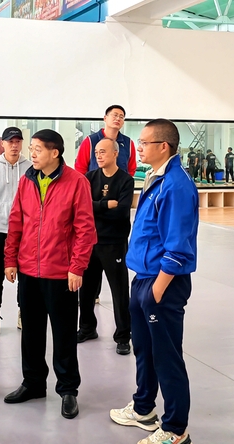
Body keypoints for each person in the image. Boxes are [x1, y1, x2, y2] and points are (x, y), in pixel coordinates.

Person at [109, 119, 198, 444]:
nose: (139, 147)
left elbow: (178, 246)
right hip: (144, 277)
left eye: (145, 142)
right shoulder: (155, 177)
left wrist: (157, 291)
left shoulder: (176, 185)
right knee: (144, 350)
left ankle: (176, 431)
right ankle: (144, 407)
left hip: (163, 283)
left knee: (167, 357)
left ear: (164, 146)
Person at [4, 129, 96, 420]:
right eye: (31, 148)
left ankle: (68, 389)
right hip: (29, 270)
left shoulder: (77, 182)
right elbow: (16, 221)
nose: (31, 153)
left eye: (38, 149)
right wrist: (10, 259)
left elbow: (85, 229)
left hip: (61, 273)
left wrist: (77, 267)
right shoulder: (27, 180)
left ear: (55, 153)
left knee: (64, 334)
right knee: (30, 332)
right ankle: (33, 383)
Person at [77, 138, 134, 355]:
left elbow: (121, 212)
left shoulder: (125, 180)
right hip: (91, 242)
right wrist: (105, 205)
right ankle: (87, 328)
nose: (98, 156)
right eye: (96, 152)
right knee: (86, 290)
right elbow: (82, 207)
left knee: (119, 292)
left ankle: (123, 336)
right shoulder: (90, 177)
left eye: (103, 152)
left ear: (115, 154)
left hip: (114, 244)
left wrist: (95, 209)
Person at [0, 127, 32, 336]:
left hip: (26, 232)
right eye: (10, 141)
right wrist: (0, 214)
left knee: (25, 275)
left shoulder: (30, 167)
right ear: (3, 144)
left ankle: (23, 311)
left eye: (18, 141)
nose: (14, 145)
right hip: (0, 230)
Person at [74, 105, 137, 177]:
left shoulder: (128, 143)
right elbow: (80, 168)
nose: (118, 119)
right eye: (115, 115)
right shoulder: (90, 141)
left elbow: (131, 169)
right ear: (105, 118)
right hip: (93, 183)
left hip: (120, 183)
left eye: (121, 117)